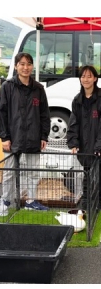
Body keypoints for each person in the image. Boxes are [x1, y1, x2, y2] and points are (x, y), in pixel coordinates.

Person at [0, 52, 50, 216]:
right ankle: (5, 201)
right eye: (22, 64)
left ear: (32, 66)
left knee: (33, 171)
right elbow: (2, 113)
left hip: (34, 137)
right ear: (16, 66)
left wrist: (44, 136)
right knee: (9, 172)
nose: (25, 67)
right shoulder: (7, 87)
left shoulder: (38, 89)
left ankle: (31, 201)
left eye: (28, 64)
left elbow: (44, 114)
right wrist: (5, 137)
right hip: (13, 137)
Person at [67, 65, 101, 211]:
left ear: (95, 78)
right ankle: (86, 205)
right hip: (84, 145)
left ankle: (98, 202)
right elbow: (73, 122)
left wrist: (99, 146)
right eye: (83, 76)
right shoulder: (77, 100)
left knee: (99, 177)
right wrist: (73, 143)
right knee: (87, 175)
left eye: (89, 76)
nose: (86, 79)